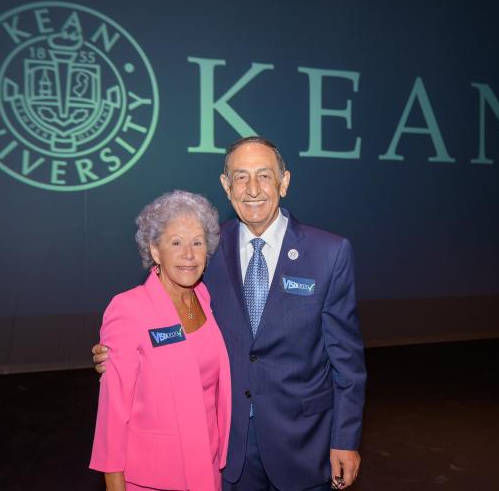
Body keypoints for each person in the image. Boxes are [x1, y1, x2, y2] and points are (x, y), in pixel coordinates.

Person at [93, 137, 366, 490]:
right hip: (228, 446)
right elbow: (152, 306)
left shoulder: (329, 252)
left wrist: (345, 439)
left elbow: (347, 362)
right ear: (225, 185)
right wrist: (114, 352)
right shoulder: (206, 248)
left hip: (303, 442)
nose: (252, 189)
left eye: (264, 175)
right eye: (240, 177)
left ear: (284, 182)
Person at [89, 190, 231, 491]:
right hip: (155, 477)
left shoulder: (204, 298)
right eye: (176, 243)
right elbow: (113, 413)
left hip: (208, 467)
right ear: (155, 250)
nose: (189, 254)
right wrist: (114, 483)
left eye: (197, 242)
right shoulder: (129, 308)